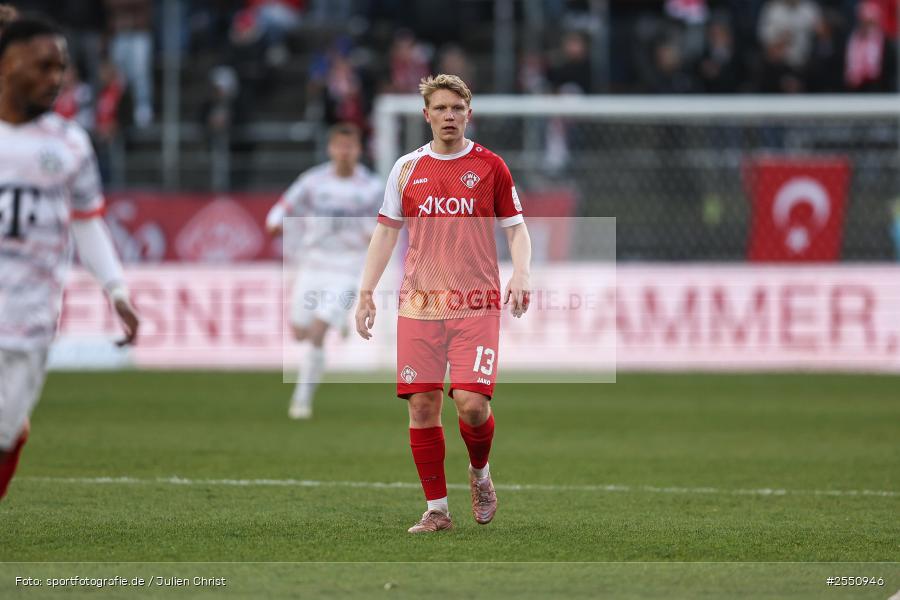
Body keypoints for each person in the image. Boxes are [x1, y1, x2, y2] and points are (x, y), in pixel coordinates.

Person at [354, 74, 532, 533]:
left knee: (471, 405)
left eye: (457, 108)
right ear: (426, 115)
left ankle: (480, 474)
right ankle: (437, 510)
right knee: (422, 406)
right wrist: (366, 291)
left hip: (476, 303)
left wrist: (523, 272)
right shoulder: (405, 168)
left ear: (468, 113)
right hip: (420, 304)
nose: (449, 115)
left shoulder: (491, 166)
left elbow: (515, 226)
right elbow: (387, 230)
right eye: (441, 108)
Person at [0, 17, 139, 501]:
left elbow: (86, 221)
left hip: (30, 320)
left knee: (9, 435)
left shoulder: (70, 144)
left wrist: (116, 290)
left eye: (59, 67)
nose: (54, 78)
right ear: (8, 64)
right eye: (43, 66)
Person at [266, 123, 381, 420]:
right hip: (313, 263)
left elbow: (387, 225)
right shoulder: (313, 181)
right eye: (339, 146)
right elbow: (284, 205)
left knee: (317, 333)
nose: (344, 152)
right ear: (331, 148)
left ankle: (301, 400)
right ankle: (338, 319)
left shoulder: (371, 186)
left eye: (350, 146)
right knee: (300, 332)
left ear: (359, 150)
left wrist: (376, 237)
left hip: (348, 268)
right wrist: (274, 220)